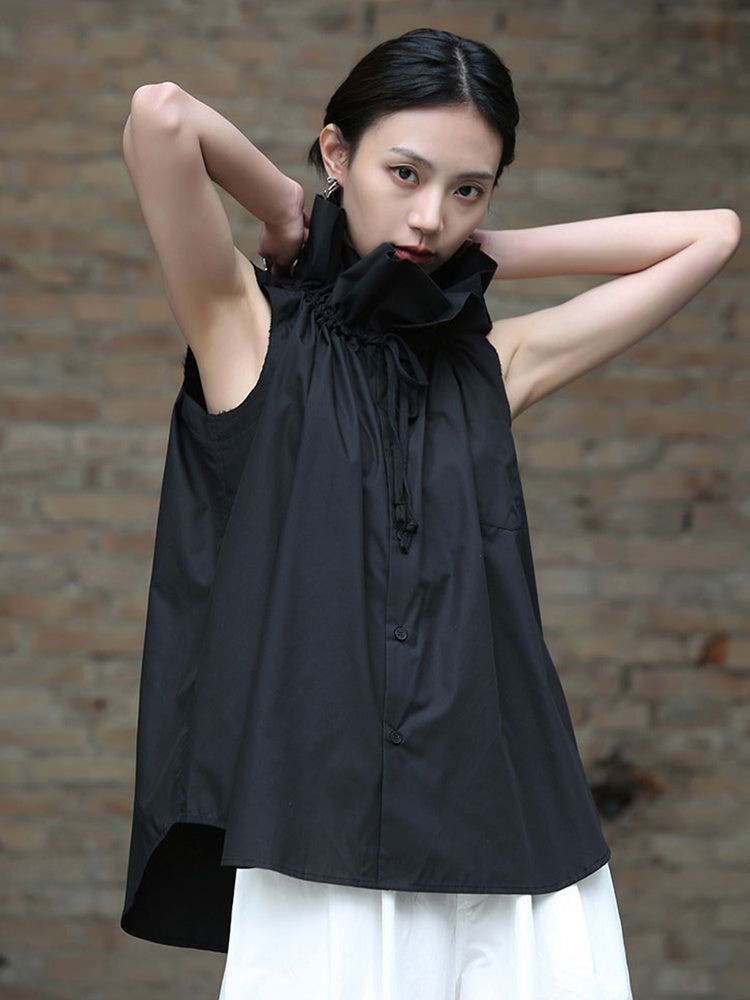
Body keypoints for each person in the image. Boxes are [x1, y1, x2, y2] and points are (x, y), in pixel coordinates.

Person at [119, 27, 740, 1000]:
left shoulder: (493, 366)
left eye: (467, 189)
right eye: (403, 172)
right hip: (316, 838)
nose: (427, 216)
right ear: (337, 153)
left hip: (508, 825)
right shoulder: (249, 334)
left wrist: (491, 252)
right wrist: (286, 210)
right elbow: (161, 117)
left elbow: (713, 233)